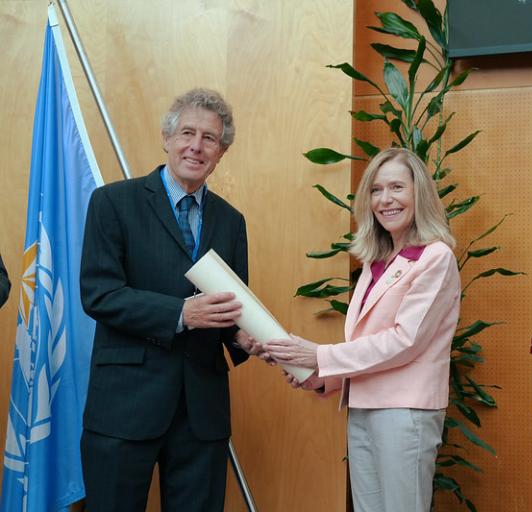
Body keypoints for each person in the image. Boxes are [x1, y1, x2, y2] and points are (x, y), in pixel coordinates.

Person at [79, 88, 257, 511]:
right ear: (167, 137)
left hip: (201, 415)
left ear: (222, 151)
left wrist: (243, 339)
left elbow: (231, 309)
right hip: (124, 408)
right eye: (187, 133)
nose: (196, 146)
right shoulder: (112, 203)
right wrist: (180, 313)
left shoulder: (231, 221)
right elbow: (99, 295)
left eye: (209, 138)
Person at [262, 148, 460, 512]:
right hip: (363, 407)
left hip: (405, 412)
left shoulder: (435, 257)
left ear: (420, 194)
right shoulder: (376, 261)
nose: (385, 200)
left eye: (397, 187)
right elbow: (368, 343)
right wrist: (323, 377)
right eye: (376, 190)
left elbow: (406, 341)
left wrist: (321, 356)